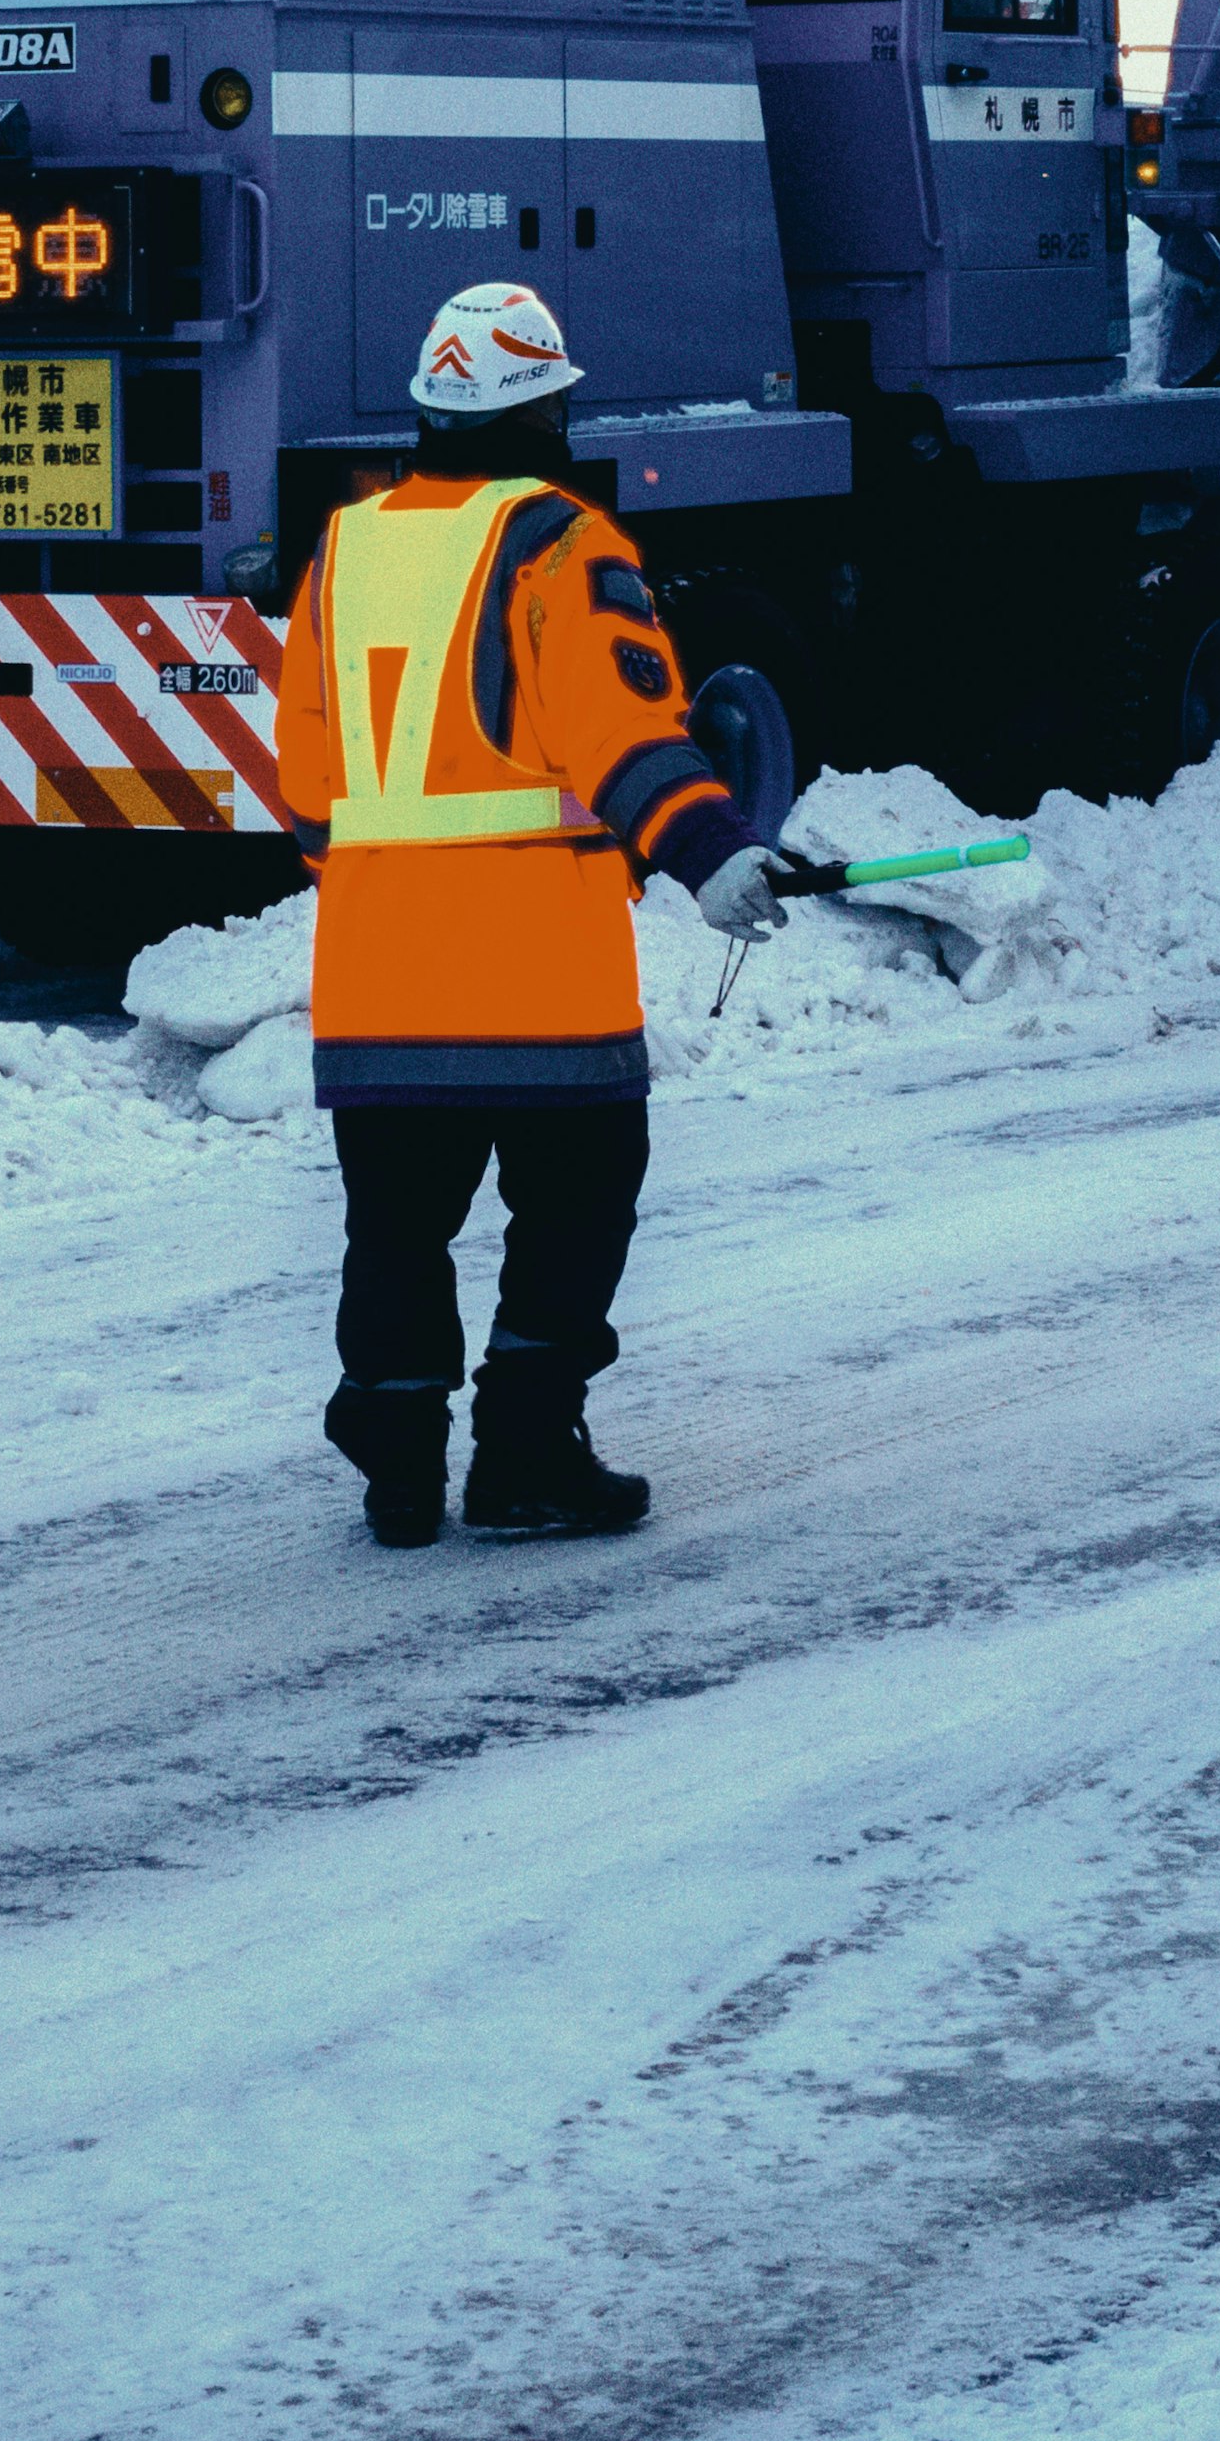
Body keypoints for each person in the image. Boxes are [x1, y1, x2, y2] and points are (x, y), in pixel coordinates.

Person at [276, 281, 778, 1548]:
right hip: (542, 978)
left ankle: (397, 1463)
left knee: (397, 1227)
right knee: (575, 1206)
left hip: (379, 981)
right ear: (548, 406)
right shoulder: (563, 543)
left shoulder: (350, 546)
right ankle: (525, 1455)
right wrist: (710, 851)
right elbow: (621, 731)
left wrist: (383, 881)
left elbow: (303, 779)